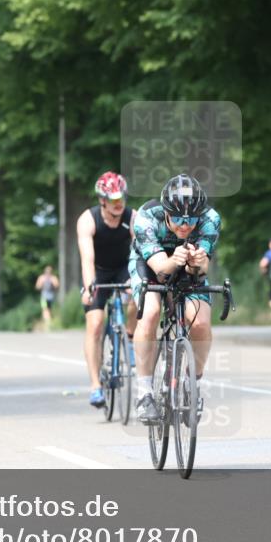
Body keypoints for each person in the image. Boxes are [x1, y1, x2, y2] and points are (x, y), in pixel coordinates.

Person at [130, 174, 221, 424]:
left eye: (191, 219)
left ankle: (194, 384)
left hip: (184, 263)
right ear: (166, 212)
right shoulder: (147, 218)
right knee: (149, 313)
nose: (185, 225)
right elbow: (160, 269)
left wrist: (197, 264)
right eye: (178, 219)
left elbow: (199, 271)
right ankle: (144, 392)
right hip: (150, 264)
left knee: (201, 323)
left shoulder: (210, 220)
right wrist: (174, 260)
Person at [77, 171, 138, 409]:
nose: (118, 203)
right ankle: (95, 386)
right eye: (113, 200)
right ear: (102, 200)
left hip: (124, 267)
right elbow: (86, 258)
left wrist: (136, 280)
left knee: (138, 297)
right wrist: (90, 285)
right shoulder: (88, 219)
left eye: (121, 198)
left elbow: (139, 252)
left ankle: (130, 338)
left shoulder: (132, 217)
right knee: (94, 324)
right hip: (98, 271)